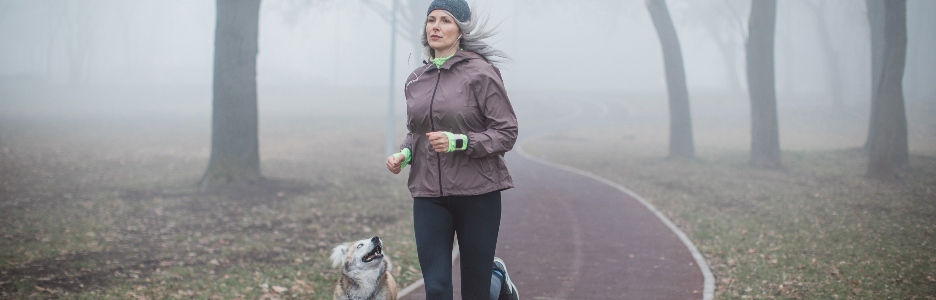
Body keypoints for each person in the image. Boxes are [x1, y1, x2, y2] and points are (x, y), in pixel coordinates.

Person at [385, 0, 519, 299]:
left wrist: (460, 142)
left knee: (475, 291)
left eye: (445, 20)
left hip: (478, 192)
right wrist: (404, 154)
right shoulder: (416, 80)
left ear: (461, 30)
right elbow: (416, 133)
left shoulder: (481, 74)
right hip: (429, 193)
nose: (435, 26)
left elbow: (507, 132)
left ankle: (497, 282)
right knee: (436, 288)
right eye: (431, 20)